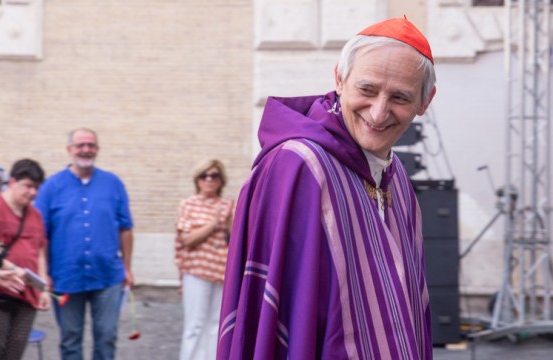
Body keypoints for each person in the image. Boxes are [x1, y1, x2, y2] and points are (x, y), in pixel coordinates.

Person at [217, 17, 437, 359]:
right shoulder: (297, 165)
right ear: (339, 78)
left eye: (400, 98)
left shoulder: (399, 181)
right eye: (367, 89)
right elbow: (273, 311)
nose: (379, 113)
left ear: (426, 101)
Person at [35, 127, 134, 360]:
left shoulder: (113, 183)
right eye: (80, 145)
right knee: (70, 340)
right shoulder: (51, 187)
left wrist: (127, 268)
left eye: (91, 145)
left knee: (107, 337)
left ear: (97, 150)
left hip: (108, 275)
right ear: (69, 149)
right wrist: (45, 273)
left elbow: (126, 228)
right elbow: (41, 235)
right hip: (65, 277)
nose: (86, 150)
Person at [0, 159, 51, 360]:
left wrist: (43, 287)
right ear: (12, 182)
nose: (33, 193)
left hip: (28, 295)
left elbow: (39, 252)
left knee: (15, 351)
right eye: (28, 186)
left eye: (36, 188)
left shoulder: (36, 215)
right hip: (0, 293)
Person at [175, 159, 234, 360]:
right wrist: (213, 224)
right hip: (196, 271)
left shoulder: (229, 205)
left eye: (214, 175)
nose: (209, 180)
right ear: (197, 180)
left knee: (217, 324)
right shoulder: (188, 204)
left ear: (221, 180)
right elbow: (187, 240)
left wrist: (228, 222)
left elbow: (234, 239)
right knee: (195, 325)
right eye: (204, 175)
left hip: (222, 272)